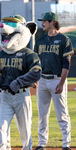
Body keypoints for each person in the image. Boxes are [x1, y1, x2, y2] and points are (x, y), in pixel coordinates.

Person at [34, 12, 74, 150]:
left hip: (57, 79)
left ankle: (66, 144)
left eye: (44, 21)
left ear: (52, 22)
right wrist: (35, 78)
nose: (42, 24)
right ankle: (42, 143)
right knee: (42, 114)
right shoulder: (39, 41)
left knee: (62, 114)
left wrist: (61, 83)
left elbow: (66, 63)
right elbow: (36, 63)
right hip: (42, 79)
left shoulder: (64, 40)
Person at [0, 14, 41, 149]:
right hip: (4, 96)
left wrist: (18, 82)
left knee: (25, 131)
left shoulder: (28, 54)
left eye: (12, 25)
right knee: (1, 128)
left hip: (21, 96)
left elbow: (36, 73)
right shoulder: (1, 54)